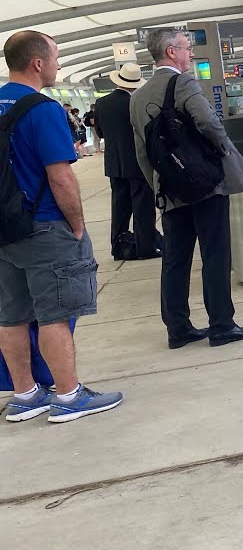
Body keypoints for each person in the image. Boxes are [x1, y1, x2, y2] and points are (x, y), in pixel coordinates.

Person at [0, 30, 123, 423]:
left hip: (3, 229)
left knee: (10, 315)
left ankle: (25, 395)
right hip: (44, 225)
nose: (59, 64)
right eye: (55, 57)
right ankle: (69, 396)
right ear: (37, 62)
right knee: (53, 314)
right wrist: (77, 226)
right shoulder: (43, 109)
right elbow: (61, 177)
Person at [130, 28, 243, 349]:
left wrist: (160, 185)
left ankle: (178, 328)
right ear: (171, 52)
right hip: (204, 184)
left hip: (170, 189)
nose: (191, 54)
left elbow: (142, 153)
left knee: (175, 257)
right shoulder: (184, 83)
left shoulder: (138, 97)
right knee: (215, 252)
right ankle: (221, 324)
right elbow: (209, 122)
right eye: (187, 48)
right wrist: (223, 152)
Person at [95, 62, 160, 260]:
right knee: (142, 206)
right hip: (137, 163)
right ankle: (146, 246)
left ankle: (118, 245)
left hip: (114, 162)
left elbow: (99, 132)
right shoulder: (136, 102)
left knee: (119, 206)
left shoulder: (102, 103)